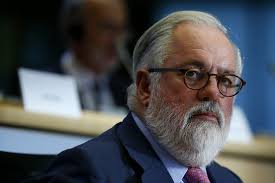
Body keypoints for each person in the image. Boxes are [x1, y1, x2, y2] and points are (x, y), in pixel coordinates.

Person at [28, 11, 246, 182]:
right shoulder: (88, 172)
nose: (213, 92)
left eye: (226, 80)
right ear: (145, 87)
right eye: (193, 74)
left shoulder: (229, 180)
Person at [52, 0, 132, 113]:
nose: (118, 40)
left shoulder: (128, 92)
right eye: (108, 28)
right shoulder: (40, 86)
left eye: (121, 29)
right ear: (76, 31)